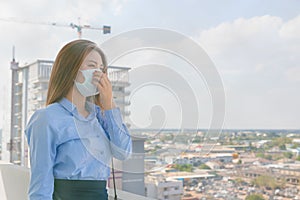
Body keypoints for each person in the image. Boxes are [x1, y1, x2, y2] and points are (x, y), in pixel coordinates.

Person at [25, 39, 132, 200]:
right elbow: (41, 185)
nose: (98, 74)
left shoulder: (100, 117)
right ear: (70, 68)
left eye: (102, 69)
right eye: (91, 65)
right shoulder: (46, 118)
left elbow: (123, 152)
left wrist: (109, 105)